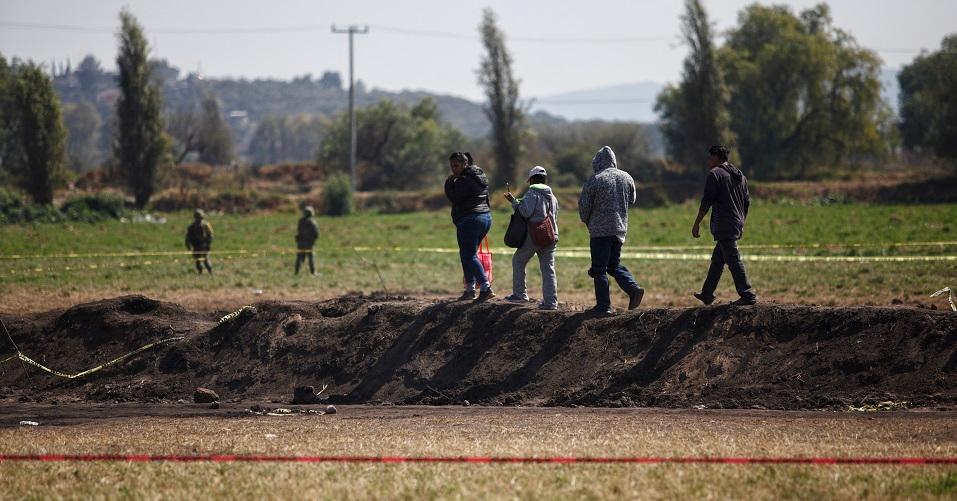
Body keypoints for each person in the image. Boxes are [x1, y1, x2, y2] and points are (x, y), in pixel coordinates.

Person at [578, 146, 644, 315]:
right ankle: (633, 289)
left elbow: (584, 207)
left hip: (600, 231)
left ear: (598, 162)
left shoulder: (595, 179)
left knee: (599, 269)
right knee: (613, 266)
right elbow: (633, 200)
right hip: (619, 229)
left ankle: (603, 306)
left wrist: (588, 221)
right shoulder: (626, 177)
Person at [692, 145, 757, 306]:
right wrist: (742, 222)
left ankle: (747, 294)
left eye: (710, 157)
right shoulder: (740, 175)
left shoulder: (715, 174)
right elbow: (747, 201)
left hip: (724, 223)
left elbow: (706, 201)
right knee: (718, 260)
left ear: (717, 157)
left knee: (733, 260)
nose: (708, 160)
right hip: (736, 222)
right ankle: (707, 294)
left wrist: (697, 223)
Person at [504, 166, 559, 310]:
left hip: (534, 235)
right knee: (548, 269)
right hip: (551, 235)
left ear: (532, 180)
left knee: (518, 260)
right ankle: (551, 302)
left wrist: (514, 202)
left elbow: (525, 212)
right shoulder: (553, 196)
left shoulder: (532, 193)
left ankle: (520, 295)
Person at [444, 151, 495, 301]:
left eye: (456, 165)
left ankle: (485, 288)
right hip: (485, 218)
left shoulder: (463, 180)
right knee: (466, 254)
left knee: (469, 255)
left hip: (470, 219)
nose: (454, 169)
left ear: (465, 164)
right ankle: (470, 289)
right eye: (452, 166)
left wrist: (448, 182)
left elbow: (454, 197)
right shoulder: (480, 177)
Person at [185, 209, 213, 275]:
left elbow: (210, 235)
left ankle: (210, 272)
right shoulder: (191, 227)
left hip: (204, 245)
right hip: (196, 245)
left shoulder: (206, 225)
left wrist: (208, 244)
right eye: (197, 218)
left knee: (205, 259)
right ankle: (200, 272)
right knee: (198, 260)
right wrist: (188, 246)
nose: (198, 219)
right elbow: (188, 237)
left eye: (199, 218)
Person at [295, 206, 320, 275]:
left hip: (301, 242)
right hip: (309, 243)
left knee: (299, 258)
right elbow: (316, 233)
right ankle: (313, 272)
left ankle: (296, 272)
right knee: (311, 258)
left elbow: (298, 231)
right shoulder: (312, 222)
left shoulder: (300, 221)